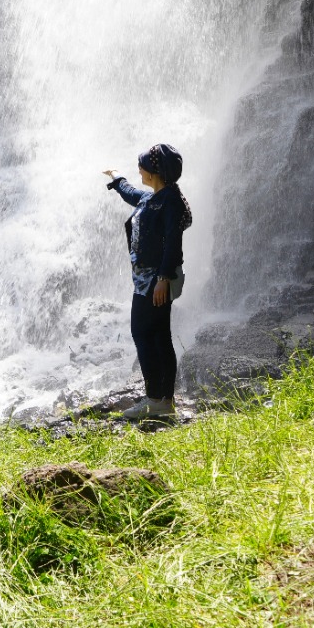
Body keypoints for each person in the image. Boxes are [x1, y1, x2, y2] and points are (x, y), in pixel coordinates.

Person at [103, 143, 192, 422]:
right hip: (146, 279)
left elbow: (173, 245)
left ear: (154, 172)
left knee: (143, 334)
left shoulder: (171, 202)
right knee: (159, 336)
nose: (138, 169)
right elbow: (131, 193)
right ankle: (164, 399)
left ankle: (155, 399)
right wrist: (116, 179)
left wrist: (163, 279)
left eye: (141, 166)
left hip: (156, 280)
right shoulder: (154, 197)